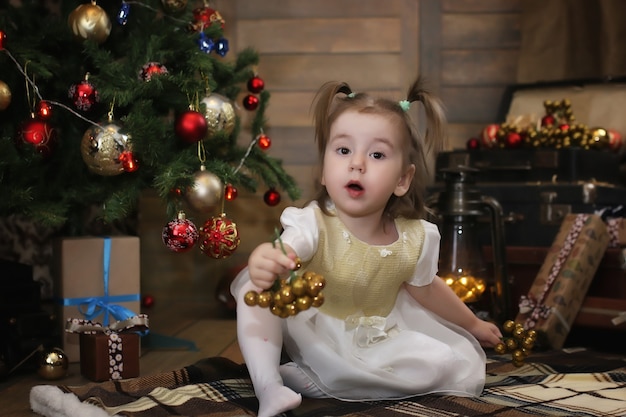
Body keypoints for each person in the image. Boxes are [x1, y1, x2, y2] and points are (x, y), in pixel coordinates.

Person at [230, 77, 503, 417]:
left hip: (378, 338)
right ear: (325, 173)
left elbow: (429, 290)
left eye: (376, 154)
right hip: (314, 332)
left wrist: (473, 325)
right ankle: (270, 386)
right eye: (343, 150)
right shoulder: (314, 224)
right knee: (255, 291)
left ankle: (321, 380)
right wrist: (265, 260)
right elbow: (285, 252)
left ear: (402, 179)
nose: (357, 163)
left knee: (443, 363)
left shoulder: (416, 238)